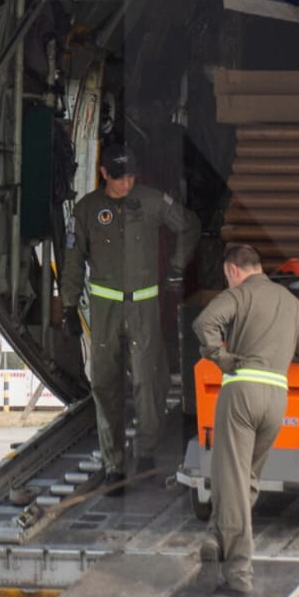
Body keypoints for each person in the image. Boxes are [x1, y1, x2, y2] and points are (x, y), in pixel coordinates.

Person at [59, 144, 197, 485]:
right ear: (104, 174)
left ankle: (147, 451)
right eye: (120, 178)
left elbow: (188, 226)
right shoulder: (87, 209)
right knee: (106, 384)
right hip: (105, 310)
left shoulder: (151, 201)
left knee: (150, 381)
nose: (127, 184)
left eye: (132, 177)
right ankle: (114, 464)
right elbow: (74, 260)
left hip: (144, 307)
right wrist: (68, 306)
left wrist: (177, 267)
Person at [191, 244, 299, 596]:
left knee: (230, 482)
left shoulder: (240, 294)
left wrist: (220, 357)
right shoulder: (290, 302)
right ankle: (216, 541)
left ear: (233, 270)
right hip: (277, 399)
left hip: (242, 393)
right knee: (245, 481)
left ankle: (238, 575)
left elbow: (205, 323)